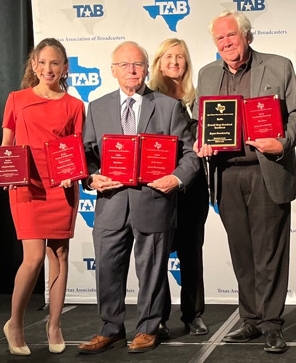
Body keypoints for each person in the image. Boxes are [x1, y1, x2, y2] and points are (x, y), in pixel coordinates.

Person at [77, 41, 200, 354]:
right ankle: (110, 329)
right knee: (106, 269)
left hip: (154, 202)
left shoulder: (169, 106)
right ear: (113, 70)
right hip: (111, 205)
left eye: (138, 64)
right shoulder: (98, 106)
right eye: (124, 65)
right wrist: (91, 178)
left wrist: (176, 178)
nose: (131, 70)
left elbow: (190, 155)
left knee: (153, 271)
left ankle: (148, 328)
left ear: (147, 69)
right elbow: (87, 155)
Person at [193, 10, 296, 354]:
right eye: (220, 39)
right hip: (225, 173)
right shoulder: (207, 74)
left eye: (232, 36)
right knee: (242, 253)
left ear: (247, 37)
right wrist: (201, 141)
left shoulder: (279, 65)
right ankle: (251, 319)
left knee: (269, 252)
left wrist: (283, 142)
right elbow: (201, 120)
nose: (226, 43)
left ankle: (272, 325)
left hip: (266, 169)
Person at [0, 38, 84, 356]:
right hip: (27, 187)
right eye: (43, 62)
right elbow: (6, 144)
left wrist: (72, 174)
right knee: (33, 257)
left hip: (61, 189)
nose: (48, 69)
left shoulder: (75, 105)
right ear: (33, 65)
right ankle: (15, 324)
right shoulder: (17, 99)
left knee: (59, 255)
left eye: (55, 63)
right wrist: (6, 174)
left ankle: (54, 325)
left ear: (65, 68)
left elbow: (75, 150)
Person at [148, 38, 210, 337]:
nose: (174, 62)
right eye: (168, 56)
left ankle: (193, 314)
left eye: (180, 57)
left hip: (192, 186)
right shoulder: (148, 99)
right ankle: (157, 316)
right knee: (157, 254)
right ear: (159, 62)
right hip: (158, 186)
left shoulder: (199, 98)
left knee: (190, 252)